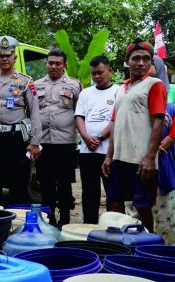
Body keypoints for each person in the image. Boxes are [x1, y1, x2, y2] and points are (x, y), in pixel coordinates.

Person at [102, 38, 167, 232]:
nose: (141, 63)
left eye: (146, 59)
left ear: (151, 63)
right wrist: (108, 156)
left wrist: (149, 157)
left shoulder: (154, 84)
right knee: (114, 203)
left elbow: (158, 121)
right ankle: (121, 245)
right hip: (119, 158)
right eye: (136, 58)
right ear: (127, 61)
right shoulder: (121, 89)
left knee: (142, 206)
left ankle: (146, 247)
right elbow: (115, 124)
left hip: (141, 161)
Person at [0, 35, 42, 206]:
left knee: (18, 184)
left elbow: (34, 113)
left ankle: (18, 225)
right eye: (1, 55)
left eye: (8, 55)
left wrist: (35, 142)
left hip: (16, 140)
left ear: (14, 58)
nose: (5, 59)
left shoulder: (26, 82)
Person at [34, 49, 82, 227]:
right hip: (43, 142)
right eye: (50, 63)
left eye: (58, 63)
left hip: (65, 143)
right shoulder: (36, 84)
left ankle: (65, 219)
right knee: (45, 183)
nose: (53, 66)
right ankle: (49, 218)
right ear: (46, 64)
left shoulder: (74, 85)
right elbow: (30, 112)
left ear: (65, 65)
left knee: (64, 183)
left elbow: (80, 112)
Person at [75, 56, 118, 224]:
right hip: (87, 151)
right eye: (94, 73)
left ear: (110, 71)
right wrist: (86, 138)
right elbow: (79, 116)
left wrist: (100, 137)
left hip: (109, 152)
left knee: (112, 192)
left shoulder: (119, 91)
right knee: (89, 193)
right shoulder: (85, 93)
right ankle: (89, 226)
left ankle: (111, 225)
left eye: (100, 72)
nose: (97, 76)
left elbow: (117, 119)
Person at [154, 103, 175, 244]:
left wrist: (171, 137)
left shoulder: (170, 108)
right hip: (135, 161)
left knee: (166, 214)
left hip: (165, 162)